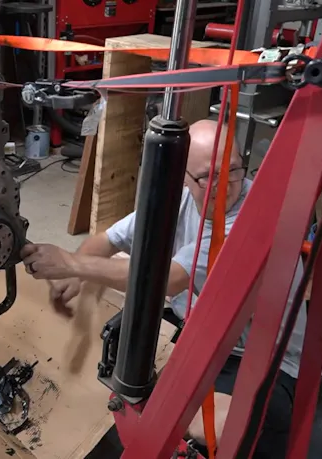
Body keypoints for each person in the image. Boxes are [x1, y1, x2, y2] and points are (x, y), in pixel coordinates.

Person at [20, 119, 307, 457]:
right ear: (183, 177)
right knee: (119, 367)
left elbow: (168, 279)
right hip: (202, 335)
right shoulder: (179, 198)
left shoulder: (254, 219)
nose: (223, 185)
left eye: (232, 170)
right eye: (207, 176)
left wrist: (71, 264)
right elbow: (109, 240)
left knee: (200, 424)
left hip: (261, 360)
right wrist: (76, 273)